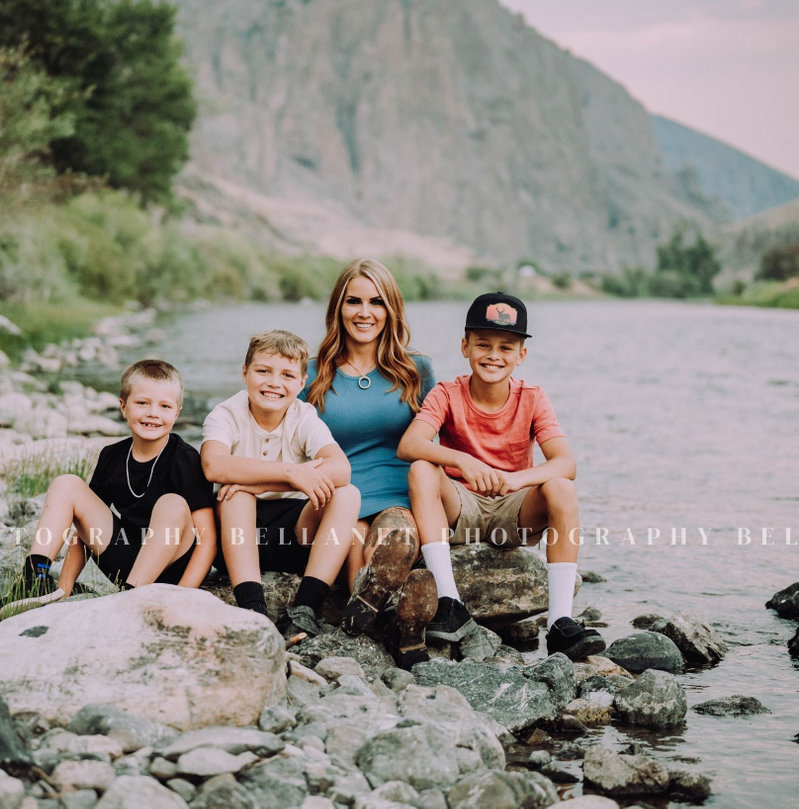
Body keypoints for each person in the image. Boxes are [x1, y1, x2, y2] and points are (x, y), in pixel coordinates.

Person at [397, 292, 605, 660]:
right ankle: (449, 601)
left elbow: (566, 463)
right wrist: (461, 460)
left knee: (560, 487)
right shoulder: (447, 393)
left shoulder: (533, 398)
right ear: (465, 346)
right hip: (461, 509)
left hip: (514, 513)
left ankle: (560, 622)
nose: (494, 355)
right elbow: (409, 444)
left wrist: (516, 480)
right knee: (421, 469)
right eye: (483, 344)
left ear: (521, 354)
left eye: (506, 347)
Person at [0, 359, 217, 619]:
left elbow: (207, 540)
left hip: (171, 568)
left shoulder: (186, 459)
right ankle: (34, 578)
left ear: (177, 413)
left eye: (165, 406)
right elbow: (83, 529)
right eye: (142, 403)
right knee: (67, 484)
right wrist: (64, 591)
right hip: (126, 562)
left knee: (172, 503)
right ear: (123, 406)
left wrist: (184, 595)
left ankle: (132, 598)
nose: (153, 413)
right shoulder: (112, 456)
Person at [301, 258, 439, 667]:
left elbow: (432, 440)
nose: (365, 312)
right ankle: (398, 626)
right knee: (353, 537)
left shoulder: (416, 369)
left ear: (391, 309)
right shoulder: (310, 373)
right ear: (338, 308)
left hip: (397, 494)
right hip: (338, 495)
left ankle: (376, 619)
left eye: (376, 302)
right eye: (354, 301)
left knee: (394, 537)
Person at [201, 329, 361, 638]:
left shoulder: (303, 416)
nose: (274, 383)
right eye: (263, 371)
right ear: (245, 373)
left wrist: (260, 483)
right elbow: (213, 465)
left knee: (348, 495)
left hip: (294, 534)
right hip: (236, 535)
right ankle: (253, 608)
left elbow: (341, 469)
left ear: (301, 383)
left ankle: (305, 609)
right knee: (235, 496)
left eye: (287, 375)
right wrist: (290, 472)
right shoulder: (225, 414)